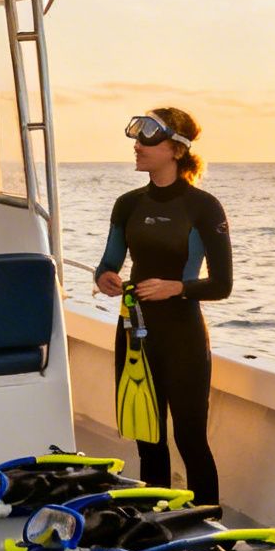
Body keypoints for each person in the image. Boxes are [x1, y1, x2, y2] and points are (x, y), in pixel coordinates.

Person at [93, 108, 233, 504]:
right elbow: (109, 263)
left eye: (147, 140)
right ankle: (155, 522)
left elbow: (222, 285)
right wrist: (104, 278)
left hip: (182, 335)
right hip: (135, 332)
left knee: (190, 440)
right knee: (147, 439)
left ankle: (208, 532)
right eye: (136, 139)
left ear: (175, 148)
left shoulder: (204, 207)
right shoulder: (127, 204)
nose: (136, 146)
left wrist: (178, 288)